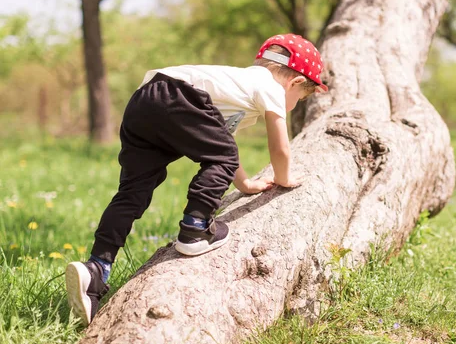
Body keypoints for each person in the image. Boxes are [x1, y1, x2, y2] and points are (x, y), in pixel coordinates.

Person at [64, 34, 328, 326]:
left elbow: (221, 143)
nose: (294, 103)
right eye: (300, 99)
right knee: (223, 157)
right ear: (293, 83)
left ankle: (97, 269)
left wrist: (244, 184)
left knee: (133, 191)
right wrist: (284, 177)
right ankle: (195, 228)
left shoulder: (235, 86)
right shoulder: (270, 86)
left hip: (143, 100)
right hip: (178, 95)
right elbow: (278, 147)